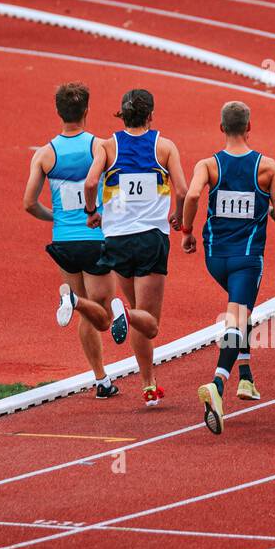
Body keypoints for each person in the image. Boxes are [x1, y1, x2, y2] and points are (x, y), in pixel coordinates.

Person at [181, 101, 275, 435]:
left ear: (221, 127)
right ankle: (217, 383)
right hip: (247, 259)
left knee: (242, 310)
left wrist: (186, 231)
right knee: (237, 316)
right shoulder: (266, 167)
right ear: (249, 126)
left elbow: (192, 196)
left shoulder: (208, 165)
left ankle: (245, 377)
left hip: (215, 259)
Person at [83, 88, 188, 407]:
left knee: (139, 314)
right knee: (148, 323)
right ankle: (124, 315)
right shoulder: (164, 147)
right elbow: (183, 190)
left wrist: (92, 212)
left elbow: (90, 183)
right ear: (151, 115)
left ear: (122, 114)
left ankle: (148, 384)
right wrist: (178, 216)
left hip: (116, 240)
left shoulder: (107, 146)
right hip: (151, 239)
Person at [21, 81, 120, 399]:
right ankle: (74, 301)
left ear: (58, 112)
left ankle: (102, 380)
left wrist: (57, 218)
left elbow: (29, 203)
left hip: (63, 243)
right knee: (102, 317)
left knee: (87, 313)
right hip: (95, 238)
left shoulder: (45, 154)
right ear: (87, 111)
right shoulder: (100, 147)